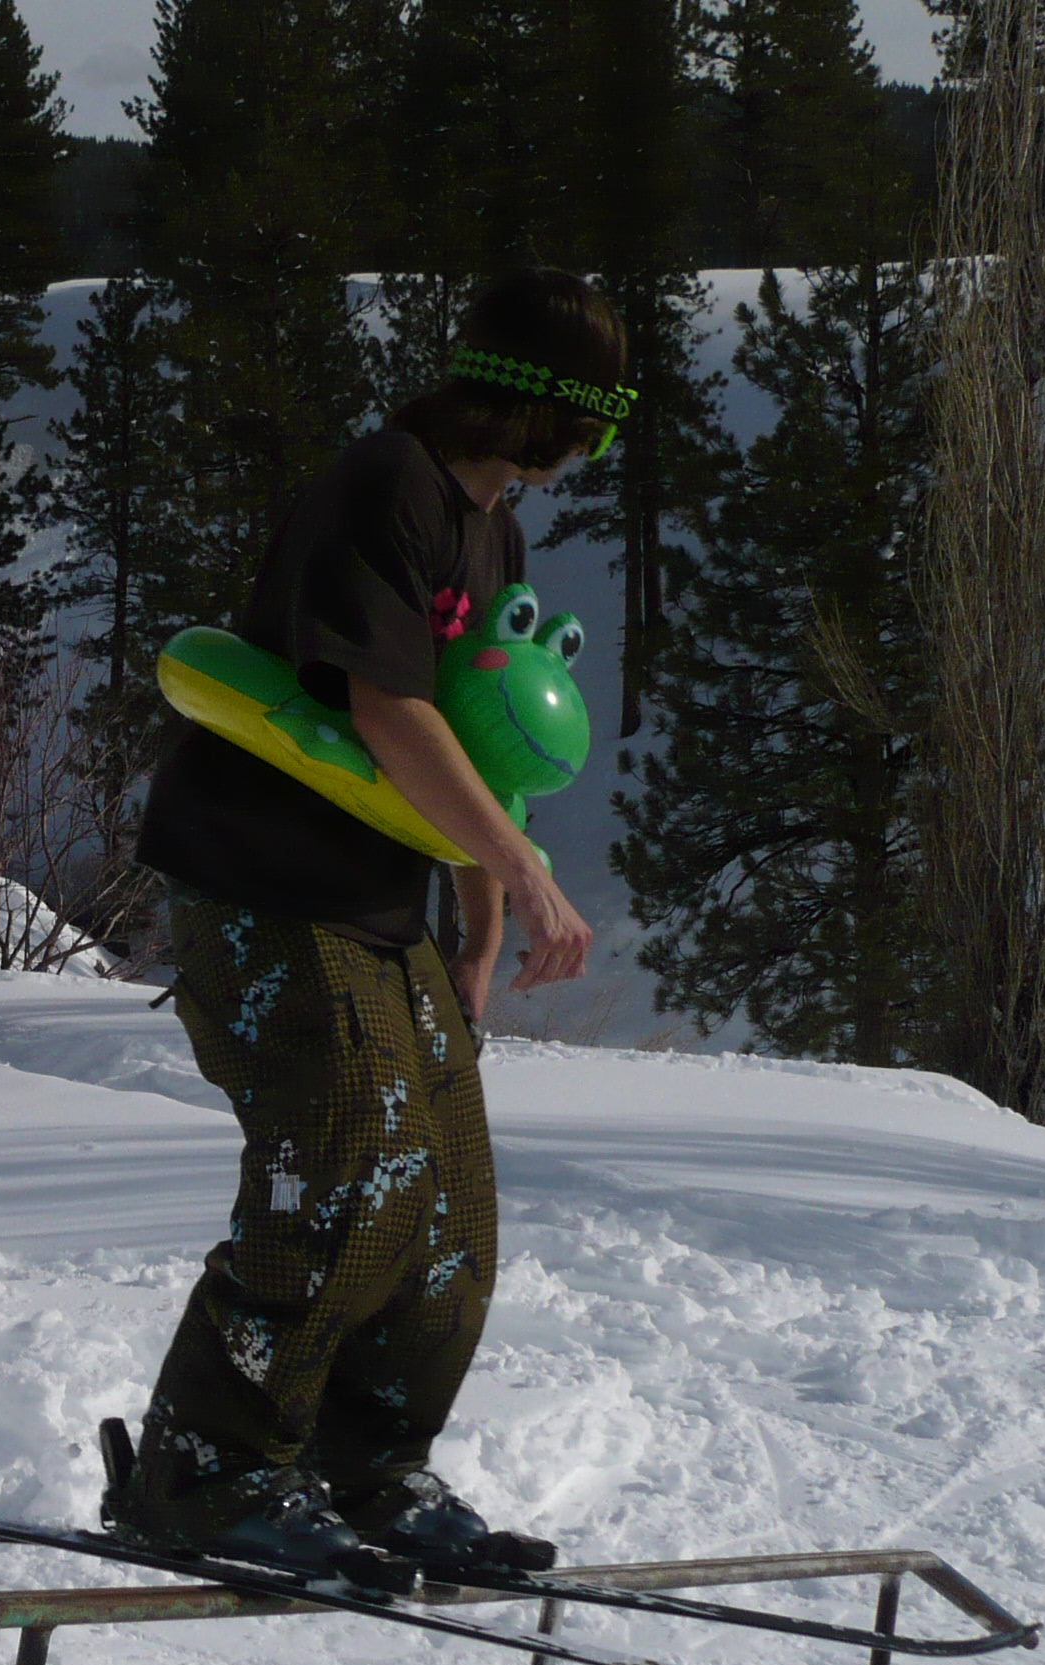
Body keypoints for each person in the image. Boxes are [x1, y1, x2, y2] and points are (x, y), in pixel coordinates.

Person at [111, 267, 624, 1587]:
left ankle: (366, 1469)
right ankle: (206, 1474)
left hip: (382, 908)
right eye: (598, 416)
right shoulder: (386, 486)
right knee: (341, 1160)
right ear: (558, 412)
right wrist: (525, 871)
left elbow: (479, 748)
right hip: (267, 886)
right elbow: (390, 708)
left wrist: (480, 921)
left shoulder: (489, 534)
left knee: (447, 1200)